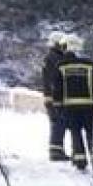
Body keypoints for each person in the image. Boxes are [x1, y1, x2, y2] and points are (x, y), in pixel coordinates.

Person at [52, 34, 93, 171]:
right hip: (89, 106)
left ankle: (80, 161)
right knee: (92, 132)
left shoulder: (61, 65)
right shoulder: (90, 64)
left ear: (66, 47)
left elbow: (57, 88)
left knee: (76, 133)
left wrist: (57, 106)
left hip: (70, 107)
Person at [40, 31, 71, 160]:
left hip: (50, 95)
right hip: (55, 96)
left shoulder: (50, 57)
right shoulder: (55, 58)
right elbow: (57, 78)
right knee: (59, 122)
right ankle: (56, 152)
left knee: (57, 123)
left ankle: (56, 150)